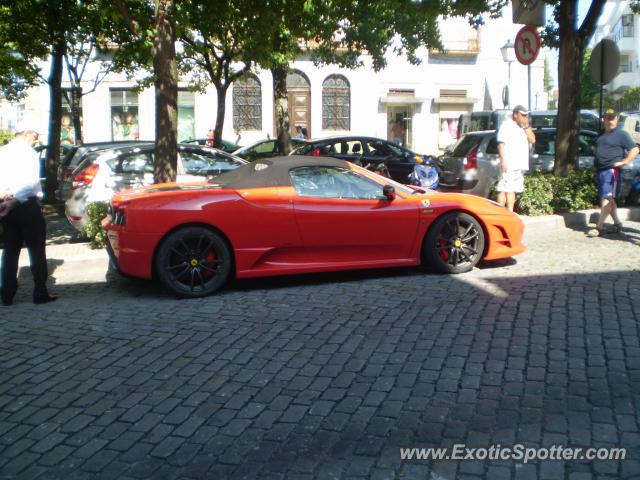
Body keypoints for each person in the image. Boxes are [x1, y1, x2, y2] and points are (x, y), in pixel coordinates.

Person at [0, 123, 57, 305]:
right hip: (26, 206)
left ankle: (7, 295)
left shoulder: (3, 151)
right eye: (35, 135)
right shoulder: (29, 154)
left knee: (10, 250)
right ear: (27, 133)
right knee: (36, 249)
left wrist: (5, 199)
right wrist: (15, 200)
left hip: (6, 205)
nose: (37, 139)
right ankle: (40, 292)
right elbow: (31, 183)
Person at [587, 107, 639, 237]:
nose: (609, 120)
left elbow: (634, 150)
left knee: (606, 197)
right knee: (608, 198)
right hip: (601, 171)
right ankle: (617, 224)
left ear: (617, 119)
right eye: (607, 118)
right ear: (604, 119)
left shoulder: (621, 134)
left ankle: (598, 227)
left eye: (612, 118)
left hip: (611, 171)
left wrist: (624, 161)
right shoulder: (601, 134)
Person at [495, 105, 536, 212]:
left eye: (526, 115)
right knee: (504, 189)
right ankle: (501, 213)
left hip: (519, 164)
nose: (525, 117)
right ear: (515, 114)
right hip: (509, 163)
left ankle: (510, 212)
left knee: (512, 189)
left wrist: (527, 127)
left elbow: (532, 140)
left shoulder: (523, 127)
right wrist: (503, 160)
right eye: (523, 115)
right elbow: (501, 144)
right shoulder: (506, 125)